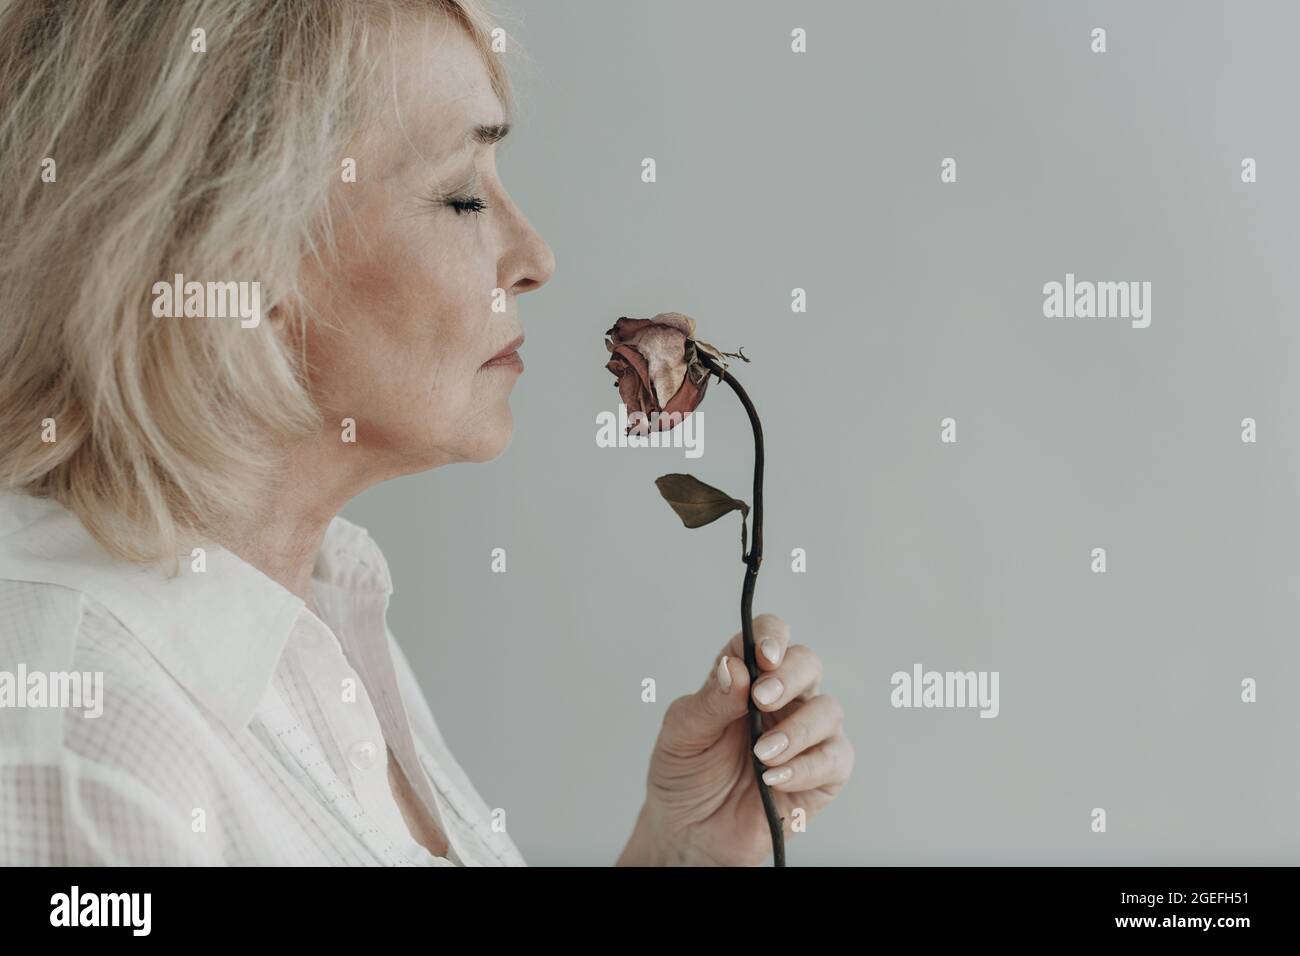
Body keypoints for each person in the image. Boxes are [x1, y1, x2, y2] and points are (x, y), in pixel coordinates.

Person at [0, 0, 852, 866]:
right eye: (461, 195)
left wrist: (682, 854)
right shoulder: (80, 752)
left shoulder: (317, 620)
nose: (535, 257)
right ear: (230, 245)